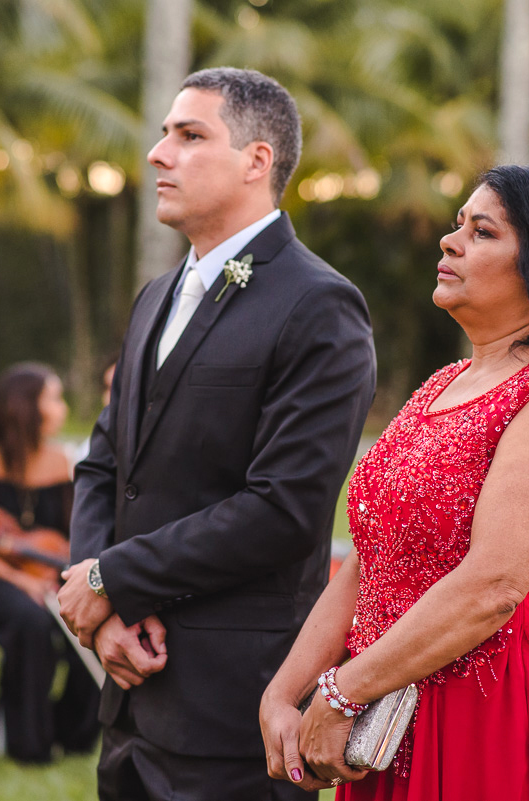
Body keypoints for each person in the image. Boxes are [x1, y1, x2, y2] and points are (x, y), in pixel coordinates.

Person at [261, 165, 529, 800]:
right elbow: (372, 558)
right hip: (384, 714)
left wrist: (342, 691)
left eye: (482, 231)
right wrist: (285, 692)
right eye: (458, 224)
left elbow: (492, 587)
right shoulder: (443, 384)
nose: (450, 241)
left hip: (489, 719)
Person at [59, 67, 376, 800]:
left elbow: (284, 508)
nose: (157, 154)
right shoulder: (156, 294)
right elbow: (105, 465)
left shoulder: (319, 305)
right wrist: (101, 602)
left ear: (257, 160)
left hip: (235, 705)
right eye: (166, 132)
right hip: (131, 689)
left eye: (189, 135)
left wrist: (116, 578)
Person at [0, 363, 100, 762]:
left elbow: (72, 535)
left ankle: (71, 730)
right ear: (25, 406)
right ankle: (29, 744)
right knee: (29, 619)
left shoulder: (61, 460)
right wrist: (14, 576)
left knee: (92, 618)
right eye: (54, 398)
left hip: (43, 578)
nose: (62, 408)